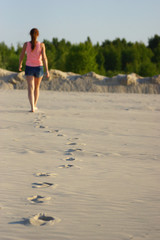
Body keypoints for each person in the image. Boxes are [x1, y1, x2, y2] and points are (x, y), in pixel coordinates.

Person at [19, 28, 49, 112]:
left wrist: (20, 64)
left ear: (30, 35)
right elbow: (44, 58)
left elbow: (21, 55)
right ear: (38, 35)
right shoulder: (42, 45)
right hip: (39, 67)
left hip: (29, 67)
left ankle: (32, 107)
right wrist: (47, 70)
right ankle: (35, 105)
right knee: (36, 87)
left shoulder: (26, 44)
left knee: (30, 88)